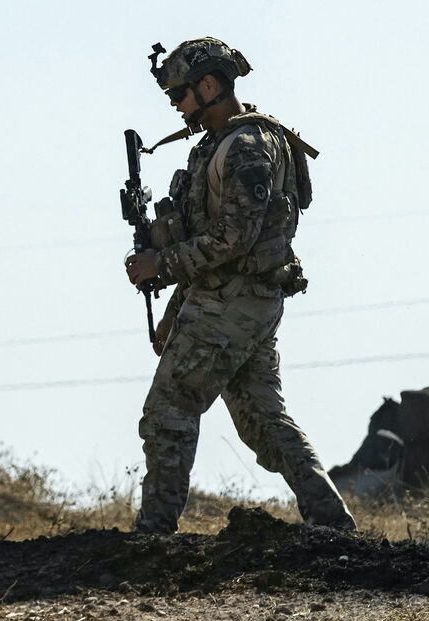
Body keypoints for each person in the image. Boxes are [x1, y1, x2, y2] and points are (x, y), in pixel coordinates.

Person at [123, 38, 355, 534]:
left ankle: (152, 537)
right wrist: (174, 308)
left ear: (209, 85)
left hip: (231, 306)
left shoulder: (246, 147)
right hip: (242, 303)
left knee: (169, 409)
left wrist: (159, 266)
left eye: (180, 95)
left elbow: (233, 238)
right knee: (263, 421)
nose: (177, 107)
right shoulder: (229, 141)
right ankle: (334, 526)